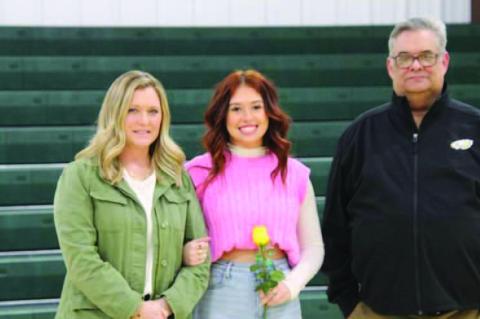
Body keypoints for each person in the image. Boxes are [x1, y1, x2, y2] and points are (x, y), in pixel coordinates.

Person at [322, 17, 480, 319]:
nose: (415, 65)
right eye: (405, 57)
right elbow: (335, 229)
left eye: (426, 56)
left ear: (444, 61)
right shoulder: (360, 135)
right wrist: (349, 302)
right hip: (377, 311)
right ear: (390, 66)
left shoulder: (475, 127)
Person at [53, 70, 210, 319]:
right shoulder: (80, 176)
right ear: (115, 114)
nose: (144, 121)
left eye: (153, 111)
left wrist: (165, 307)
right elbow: (81, 260)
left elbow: (201, 261)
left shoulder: (177, 178)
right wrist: (136, 309)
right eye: (132, 110)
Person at [182, 69, 324, 319]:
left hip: (280, 284)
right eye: (236, 108)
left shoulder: (294, 173)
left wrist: (292, 285)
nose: (247, 117)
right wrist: (185, 253)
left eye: (256, 107)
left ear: (269, 112)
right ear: (223, 115)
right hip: (222, 287)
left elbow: (313, 247)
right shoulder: (199, 171)